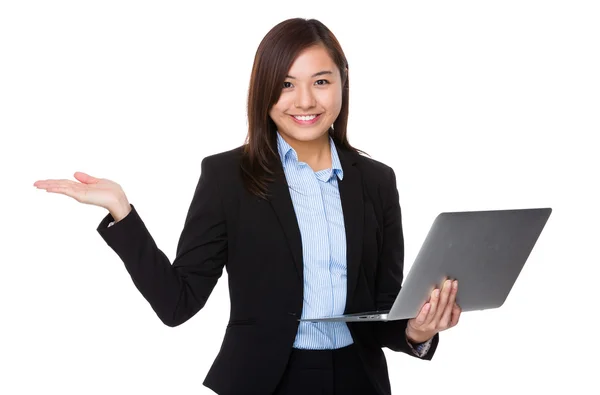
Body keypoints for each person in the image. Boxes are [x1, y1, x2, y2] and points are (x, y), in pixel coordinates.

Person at [33, 18, 461, 395]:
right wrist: (123, 212)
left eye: (322, 81)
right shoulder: (227, 177)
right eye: (287, 84)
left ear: (343, 83)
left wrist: (417, 330)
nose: (306, 101)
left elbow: (383, 305)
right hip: (265, 381)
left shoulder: (377, 180)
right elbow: (177, 303)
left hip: (358, 379)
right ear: (264, 89)